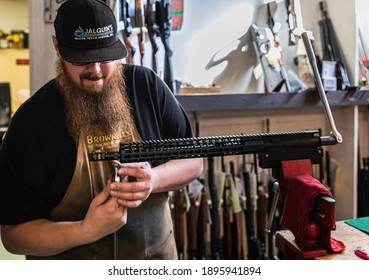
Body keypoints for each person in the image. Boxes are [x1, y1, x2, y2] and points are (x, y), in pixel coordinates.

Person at [0, 0, 203, 260]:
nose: (95, 71)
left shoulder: (147, 87)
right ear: (57, 48)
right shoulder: (31, 122)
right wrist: (85, 230)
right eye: (82, 59)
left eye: (104, 56)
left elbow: (194, 161)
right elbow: (14, 236)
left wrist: (155, 179)